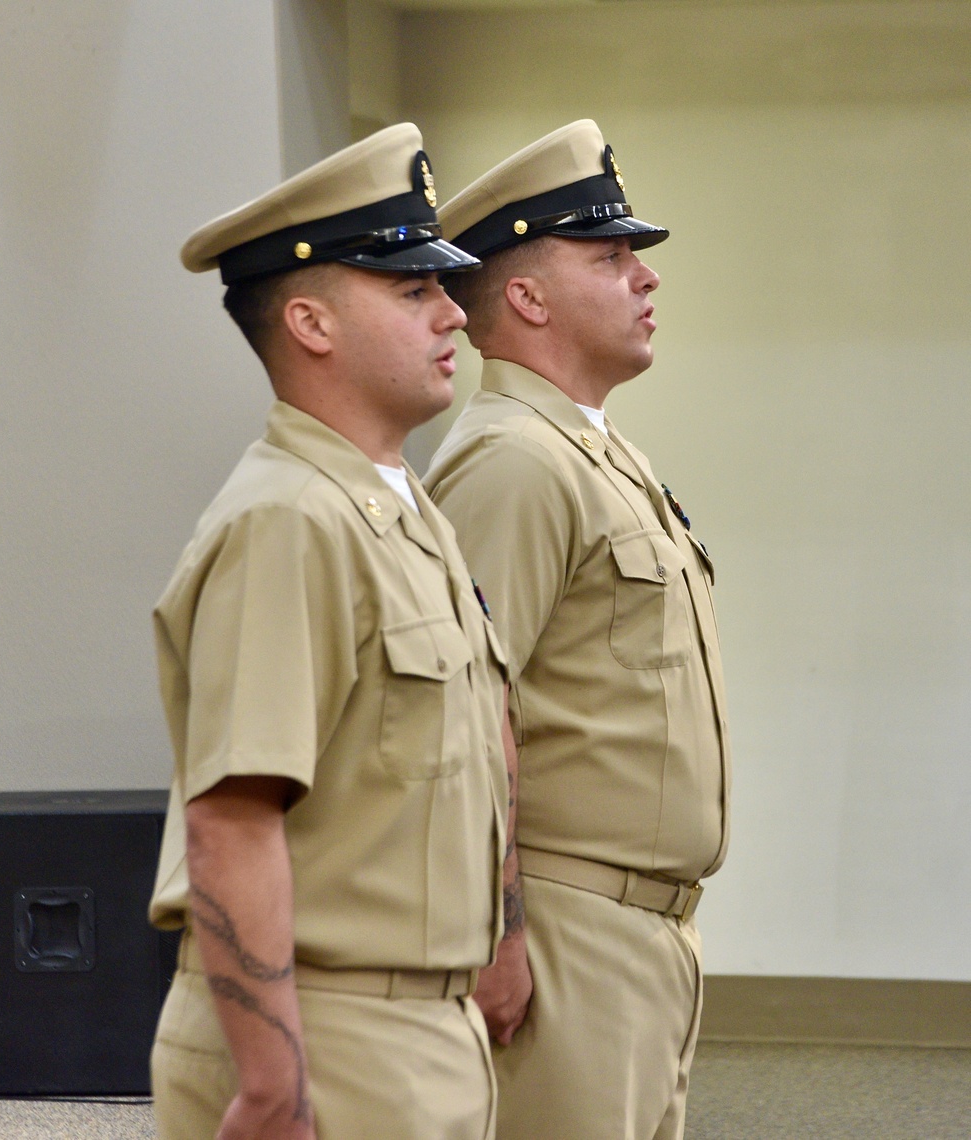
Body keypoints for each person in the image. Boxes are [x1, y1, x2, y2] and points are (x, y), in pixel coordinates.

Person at [147, 123, 512, 1140]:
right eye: (410, 290)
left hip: (414, 1029)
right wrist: (271, 1084)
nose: (452, 311)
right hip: (326, 1037)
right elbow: (232, 821)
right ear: (309, 320)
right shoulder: (288, 519)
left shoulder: (396, 511)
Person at [423, 120, 732, 1140]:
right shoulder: (514, 462)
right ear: (525, 295)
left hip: (639, 934)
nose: (643, 278)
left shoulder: (594, 452)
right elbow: (459, 722)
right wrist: (495, 935)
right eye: (608, 257)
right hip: (562, 934)